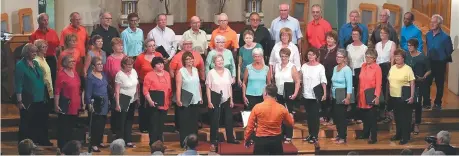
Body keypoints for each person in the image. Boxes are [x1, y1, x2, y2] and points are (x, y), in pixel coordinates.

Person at [15, 43, 50, 146]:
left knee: (36, 122)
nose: (35, 53)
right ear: (26, 53)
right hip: (28, 99)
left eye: (35, 51)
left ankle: (34, 143)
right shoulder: (20, 65)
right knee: (26, 124)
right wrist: (19, 101)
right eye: (32, 51)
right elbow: (18, 84)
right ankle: (24, 145)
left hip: (39, 98)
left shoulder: (35, 63)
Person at [244, 84, 294, 155]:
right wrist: (291, 116)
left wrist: (247, 139)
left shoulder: (257, 107)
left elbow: (250, 127)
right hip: (276, 141)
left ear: (266, 93)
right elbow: (290, 123)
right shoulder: (282, 108)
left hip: (261, 141)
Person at [206, 55, 239, 145]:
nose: (220, 62)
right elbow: (208, 87)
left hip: (226, 97)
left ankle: (230, 138)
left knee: (229, 119)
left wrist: (231, 99)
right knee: (215, 119)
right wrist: (209, 101)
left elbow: (229, 86)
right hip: (215, 97)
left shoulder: (227, 71)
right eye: (218, 61)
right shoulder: (211, 73)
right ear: (214, 63)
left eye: (221, 60)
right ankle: (214, 139)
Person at [134, 38, 164, 133]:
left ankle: (154, 126)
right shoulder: (140, 58)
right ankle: (144, 126)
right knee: (144, 106)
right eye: (150, 46)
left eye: (154, 45)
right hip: (144, 84)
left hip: (157, 85)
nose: (152, 47)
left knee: (156, 105)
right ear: (145, 47)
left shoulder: (159, 55)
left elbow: (162, 68)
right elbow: (137, 71)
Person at [425, 14, 454, 110]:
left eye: (434, 22)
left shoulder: (445, 37)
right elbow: (428, 47)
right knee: (426, 82)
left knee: (439, 84)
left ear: (440, 24)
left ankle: (437, 103)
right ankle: (426, 102)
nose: (432, 24)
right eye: (431, 22)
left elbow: (449, 51)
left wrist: (441, 57)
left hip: (440, 63)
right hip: (429, 62)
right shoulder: (428, 35)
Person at [176, 52, 203, 148]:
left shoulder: (195, 70)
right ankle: (184, 142)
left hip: (195, 99)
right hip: (185, 100)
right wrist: (178, 100)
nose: (190, 61)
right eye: (187, 59)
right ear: (184, 61)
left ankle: (193, 142)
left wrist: (200, 96)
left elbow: (198, 84)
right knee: (185, 123)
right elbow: (178, 87)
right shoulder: (180, 72)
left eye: (191, 59)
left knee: (194, 123)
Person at [388, 49, 415, 145]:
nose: (397, 58)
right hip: (393, 96)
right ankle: (398, 134)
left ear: (403, 58)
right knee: (397, 117)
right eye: (395, 56)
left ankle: (405, 137)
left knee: (405, 118)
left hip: (404, 97)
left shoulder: (408, 69)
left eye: (399, 56)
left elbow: (412, 83)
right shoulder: (392, 68)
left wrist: (412, 96)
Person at [300, 48, 327, 143]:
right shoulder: (304, 66)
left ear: (316, 55)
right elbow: (300, 79)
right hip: (306, 94)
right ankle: (310, 134)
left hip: (315, 95)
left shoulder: (320, 67)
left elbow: (323, 80)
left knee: (315, 116)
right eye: (309, 54)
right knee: (309, 116)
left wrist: (324, 93)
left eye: (312, 54)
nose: (310, 56)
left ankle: (315, 136)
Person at [143, 57, 172, 145]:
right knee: (153, 125)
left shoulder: (167, 74)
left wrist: (169, 100)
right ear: (154, 66)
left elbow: (169, 89)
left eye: (162, 63)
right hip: (153, 103)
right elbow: (145, 90)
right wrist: (150, 101)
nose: (161, 65)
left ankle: (160, 143)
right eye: (158, 64)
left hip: (165, 103)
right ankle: (153, 143)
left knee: (161, 125)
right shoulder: (149, 75)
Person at [55, 55, 81, 150]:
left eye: (74, 61)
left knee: (71, 127)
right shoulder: (61, 74)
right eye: (71, 61)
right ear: (65, 63)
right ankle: (62, 147)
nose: (73, 63)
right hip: (65, 104)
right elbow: (57, 91)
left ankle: (70, 147)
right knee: (63, 127)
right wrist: (56, 104)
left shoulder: (75, 72)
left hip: (75, 103)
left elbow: (78, 88)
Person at [405, 38, 431, 135]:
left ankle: (416, 123)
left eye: (410, 45)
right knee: (407, 104)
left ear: (415, 46)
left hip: (418, 83)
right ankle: (408, 123)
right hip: (407, 83)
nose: (409, 47)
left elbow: (429, 70)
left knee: (417, 104)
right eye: (408, 45)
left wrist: (424, 76)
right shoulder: (406, 55)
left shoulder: (423, 57)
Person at [274, 48, 300, 143]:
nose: (283, 58)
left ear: (289, 57)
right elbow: (274, 80)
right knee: (279, 116)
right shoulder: (277, 66)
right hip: (278, 94)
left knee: (288, 116)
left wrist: (295, 93)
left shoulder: (292, 67)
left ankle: (289, 135)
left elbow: (297, 82)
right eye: (282, 56)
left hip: (289, 94)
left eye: (285, 56)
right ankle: (281, 134)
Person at [357, 49, 382, 144]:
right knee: (365, 116)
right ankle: (365, 133)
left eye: (369, 57)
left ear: (374, 58)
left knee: (372, 117)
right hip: (362, 95)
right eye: (366, 56)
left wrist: (377, 96)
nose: (367, 58)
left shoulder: (377, 68)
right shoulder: (363, 66)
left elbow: (378, 84)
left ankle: (373, 137)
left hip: (371, 95)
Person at [84, 57, 110, 152]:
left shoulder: (104, 74)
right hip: (95, 102)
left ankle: (99, 141)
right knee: (96, 124)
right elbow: (88, 92)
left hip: (105, 102)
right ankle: (93, 143)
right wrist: (89, 104)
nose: (100, 66)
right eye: (98, 64)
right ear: (93, 66)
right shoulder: (90, 77)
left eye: (101, 64)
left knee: (102, 123)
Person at [114, 56, 139, 148]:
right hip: (123, 99)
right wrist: (117, 104)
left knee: (129, 121)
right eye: (128, 65)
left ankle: (128, 140)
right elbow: (117, 90)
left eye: (132, 64)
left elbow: (136, 85)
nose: (130, 66)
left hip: (132, 99)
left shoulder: (134, 72)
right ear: (123, 65)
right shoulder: (119, 75)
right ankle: (120, 142)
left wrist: (137, 97)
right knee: (121, 121)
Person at [29, 13, 59, 86]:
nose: (46, 22)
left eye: (47, 20)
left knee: (53, 78)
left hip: (51, 59)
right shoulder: (34, 35)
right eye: (44, 20)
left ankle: (52, 96)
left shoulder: (53, 32)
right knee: (42, 79)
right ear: (39, 21)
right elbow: (31, 49)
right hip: (40, 60)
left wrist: (57, 58)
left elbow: (58, 46)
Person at [104, 38, 126, 135]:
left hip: (126, 88)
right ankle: (115, 129)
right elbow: (107, 73)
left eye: (121, 45)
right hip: (114, 87)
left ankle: (122, 129)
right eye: (118, 45)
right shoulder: (110, 59)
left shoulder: (125, 57)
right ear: (113, 47)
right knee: (115, 109)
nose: (121, 47)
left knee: (124, 110)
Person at [331, 49, 353, 144]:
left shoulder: (347, 69)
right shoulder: (335, 68)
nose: (338, 58)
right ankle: (339, 134)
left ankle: (343, 137)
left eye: (340, 57)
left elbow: (349, 84)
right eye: (337, 56)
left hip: (343, 95)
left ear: (344, 58)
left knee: (342, 117)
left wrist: (348, 97)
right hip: (335, 95)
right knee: (336, 116)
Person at [346, 27, 368, 123]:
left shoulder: (364, 48)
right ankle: (351, 115)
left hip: (360, 72)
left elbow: (365, 63)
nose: (354, 36)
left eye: (356, 34)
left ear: (360, 35)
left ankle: (359, 116)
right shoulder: (349, 47)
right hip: (350, 72)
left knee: (359, 94)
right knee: (351, 94)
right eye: (353, 34)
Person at [375, 26, 397, 123]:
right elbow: (376, 57)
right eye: (381, 33)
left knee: (386, 89)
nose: (382, 35)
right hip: (378, 66)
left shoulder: (392, 44)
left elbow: (392, 57)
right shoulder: (377, 44)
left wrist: (391, 70)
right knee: (379, 88)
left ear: (388, 34)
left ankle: (388, 111)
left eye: (384, 33)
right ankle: (380, 111)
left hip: (387, 66)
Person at [319, 31, 338, 125]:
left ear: (335, 40)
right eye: (327, 38)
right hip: (323, 77)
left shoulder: (338, 50)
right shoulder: (322, 49)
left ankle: (332, 117)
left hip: (333, 77)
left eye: (331, 38)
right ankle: (324, 115)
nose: (328, 40)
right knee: (323, 97)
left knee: (332, 98)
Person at [60, 12, 88, 76]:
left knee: (81, 78)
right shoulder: (65, 31)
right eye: (76, 20)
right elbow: (62, 46)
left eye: (79, 19)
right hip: (71, 59)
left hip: (82, 58)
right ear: (71, 20)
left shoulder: (83, 29)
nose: (78, 22)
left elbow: (87, 43)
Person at [34, 39, 54, 111]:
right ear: (38, 49)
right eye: (43, 47)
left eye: (46, 46)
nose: (46, 48)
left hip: (48, 88)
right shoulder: (36, 61)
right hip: (42, 90)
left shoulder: (43, 59)